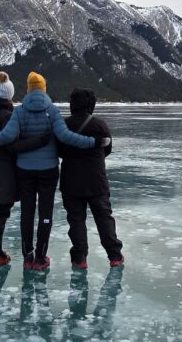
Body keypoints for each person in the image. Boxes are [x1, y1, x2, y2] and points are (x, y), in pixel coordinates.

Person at [0, 72, 108, 270]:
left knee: (27, 213)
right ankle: (40, 257)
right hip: (48, 170)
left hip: (25, 170)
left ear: (28, 89)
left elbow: (6, 136)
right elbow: (66, 137)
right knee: (45, 214)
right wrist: (94, 142)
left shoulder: (19, 112)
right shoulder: (52, 110)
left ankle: (27, 256)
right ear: (44, 88)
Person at [0, 72, 52, 267]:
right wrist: (38, 141)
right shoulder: (8, 116)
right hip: (3, 172)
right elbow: (13, 146)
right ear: (9, 95)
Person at [57, 88, 124, 269]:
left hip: (70, 181)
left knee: (76, 220)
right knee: (104, 218)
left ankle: (80, 258)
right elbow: (107, 150)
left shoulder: (64, 125)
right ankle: (115, 256)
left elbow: (59, 150)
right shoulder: (100, 125)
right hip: (96, 181)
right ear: (91, 105)